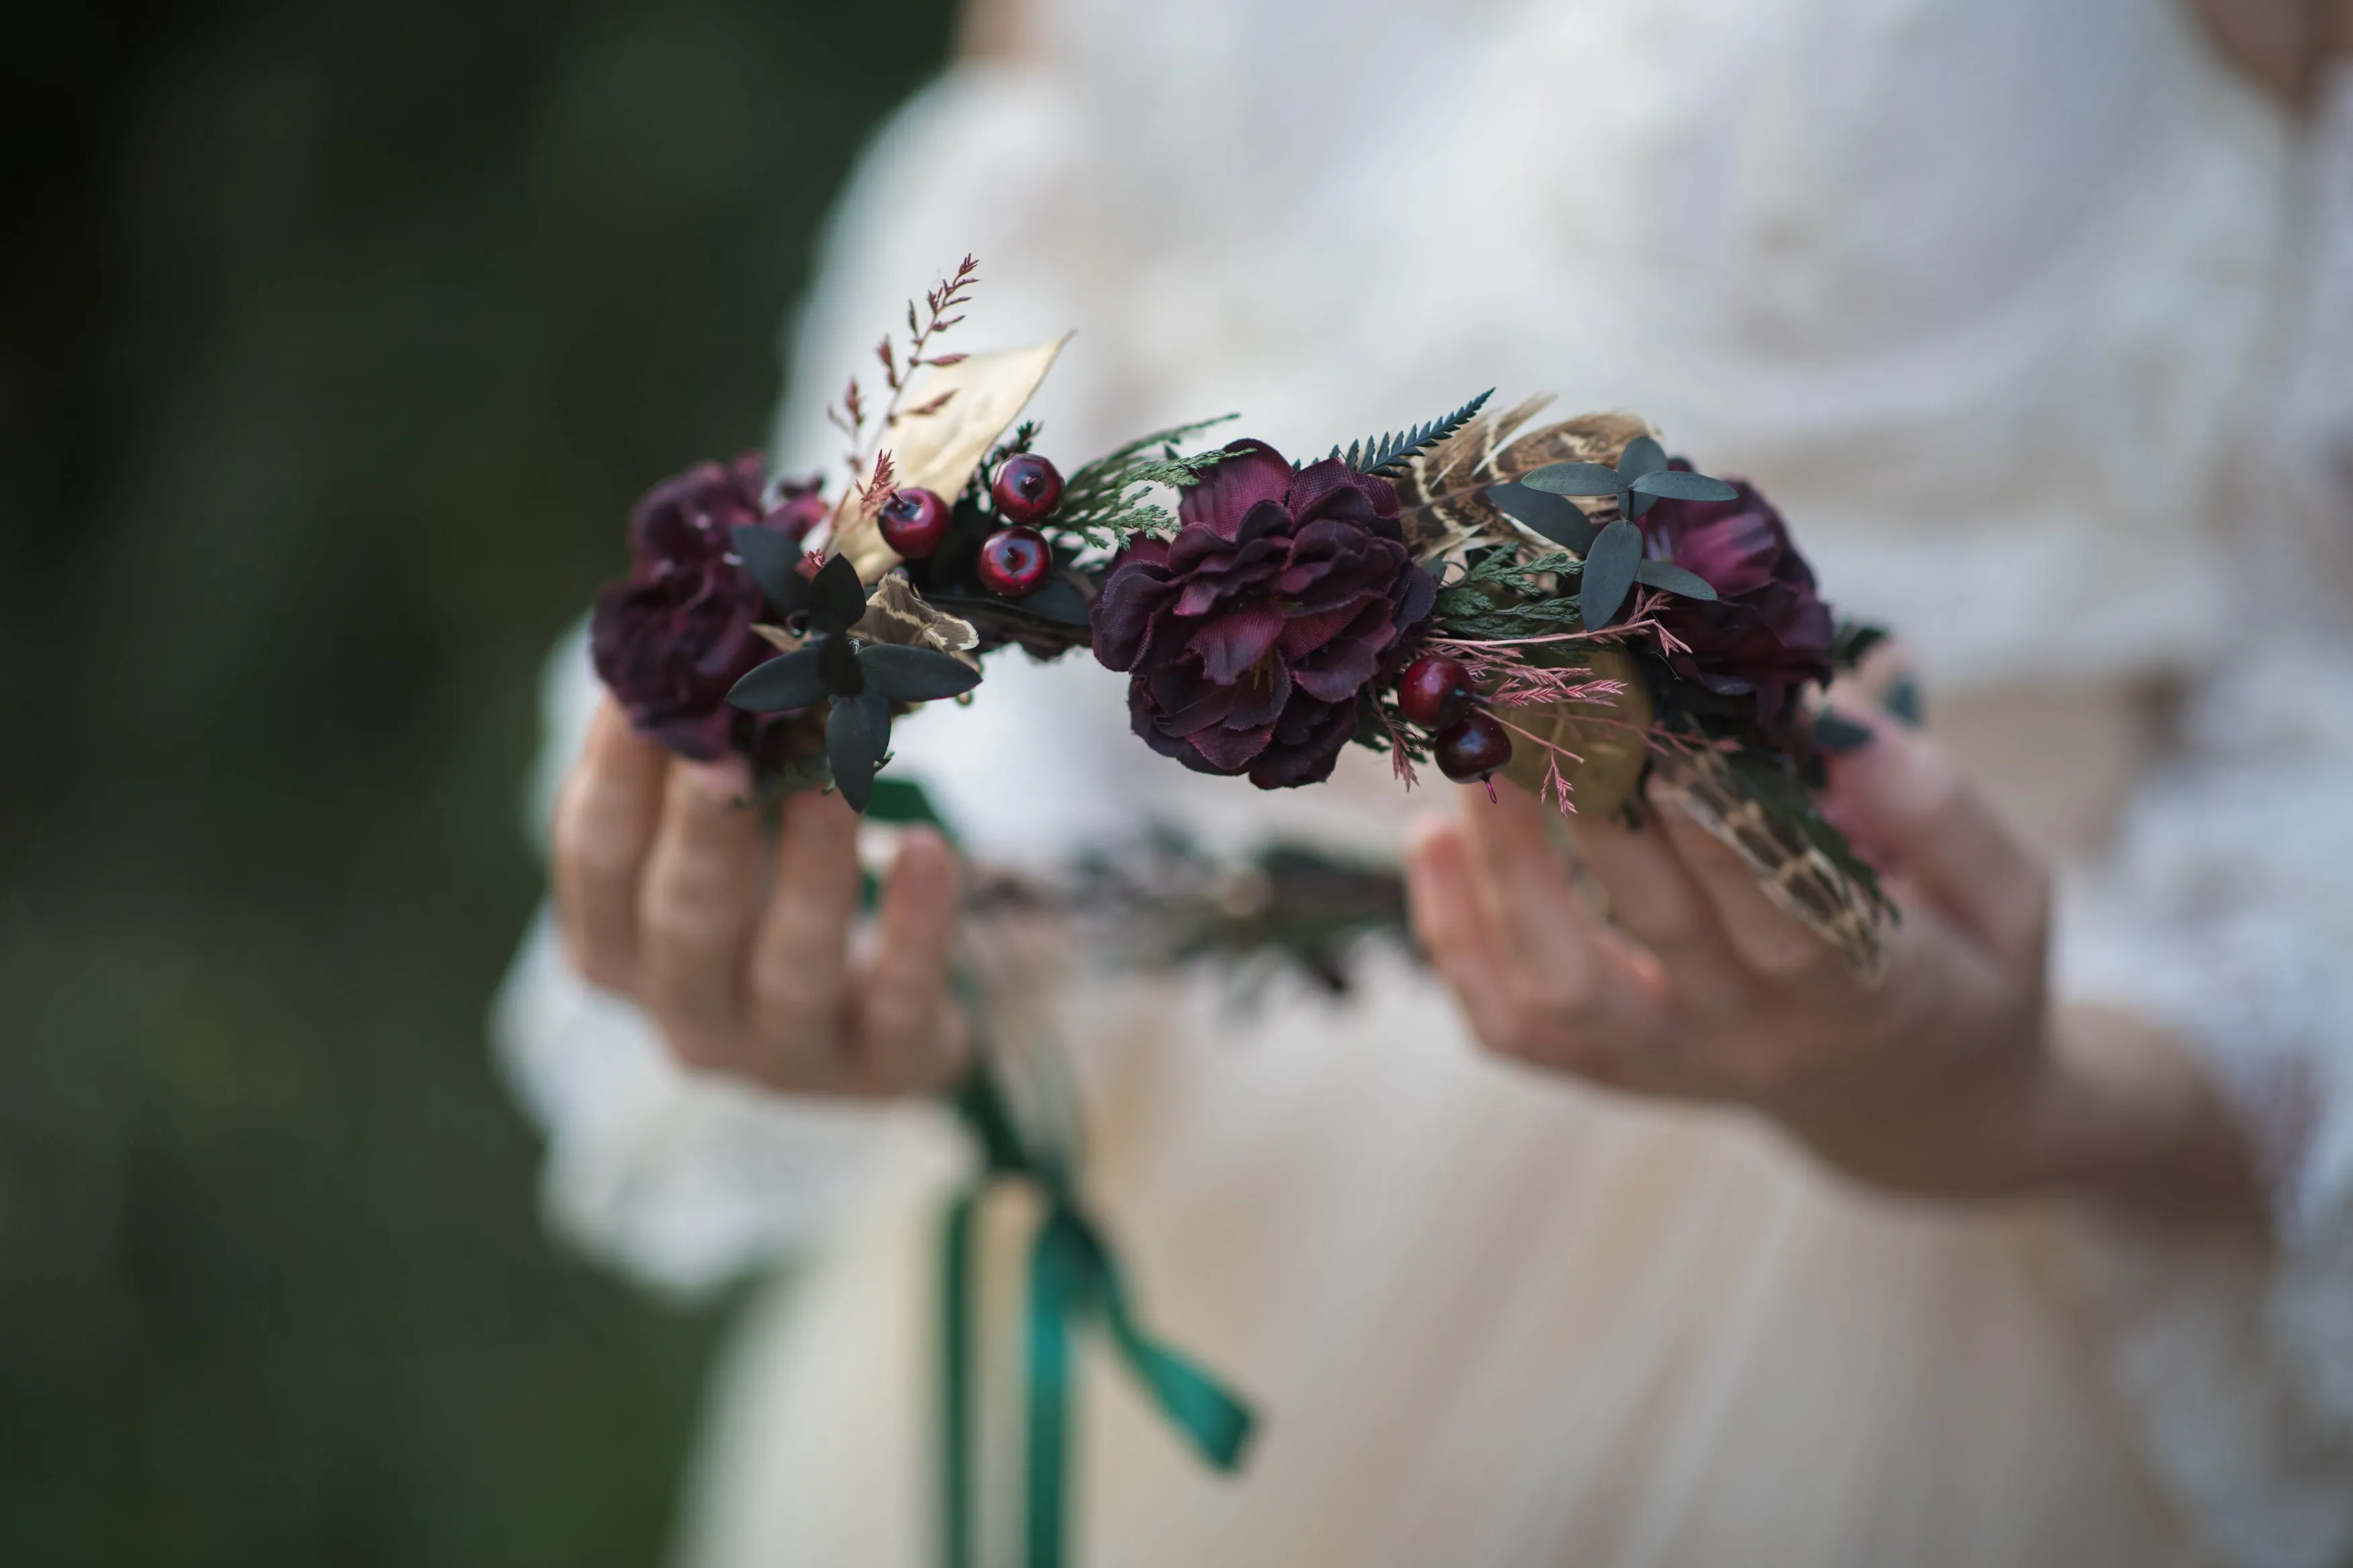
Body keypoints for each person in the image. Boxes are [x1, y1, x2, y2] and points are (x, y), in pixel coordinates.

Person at [495, 0, 2353, 1562]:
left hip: (1897, 1358)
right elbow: (1002, 420)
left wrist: (2030, 1088)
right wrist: (928, 895)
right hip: (1196, 1209)